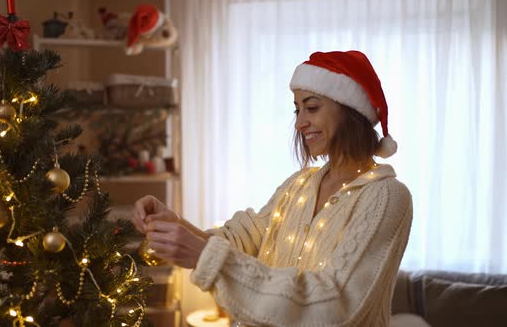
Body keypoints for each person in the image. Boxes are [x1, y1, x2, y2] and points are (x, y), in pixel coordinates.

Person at [132, 50, 429, 327]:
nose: (300, 122)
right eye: (297, 110)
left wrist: (203, 256)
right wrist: (175, 224)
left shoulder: (386, 197)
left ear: (350, 110)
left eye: (311, 107)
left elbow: (336, 304)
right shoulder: (299, 185)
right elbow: (241, 240)